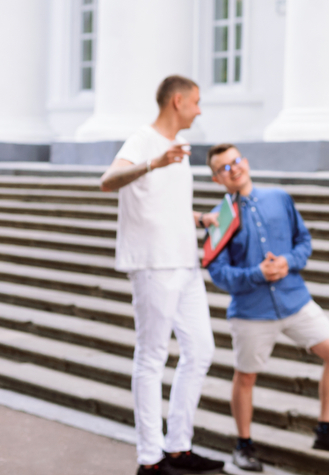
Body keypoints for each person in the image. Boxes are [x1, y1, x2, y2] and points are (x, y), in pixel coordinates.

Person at [204, 144, 329, 470]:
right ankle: (243, 444)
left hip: (294, 299)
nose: (233, 169)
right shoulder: (219, 218)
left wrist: (287, 262)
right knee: (245, 377)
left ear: (244, 161)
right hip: (251, 310)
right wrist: (255, 274)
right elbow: (217, 271)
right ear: (217, 179)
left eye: (236, 161)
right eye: (224, 168)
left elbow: (304, 242)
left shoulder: (279, 198)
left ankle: (325, 429)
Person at [99, 75, 224, 475]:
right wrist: (153, 161)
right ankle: (149, 460)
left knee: (201, 349)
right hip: (153, 263)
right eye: (197, 102)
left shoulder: (179, 152)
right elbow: (108, 181)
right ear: (177, 101)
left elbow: (164, 205)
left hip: (185, 262)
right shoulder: (144, 141)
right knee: (151, 356)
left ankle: (177, 448)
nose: (200, 109)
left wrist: (200, 218)